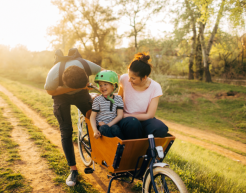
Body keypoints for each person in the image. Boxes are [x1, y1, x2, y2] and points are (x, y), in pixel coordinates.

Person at [44, 48, 103, 187]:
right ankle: (73, 170)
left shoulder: (86, 64)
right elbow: (49, 90)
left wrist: (103, 86)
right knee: (66, 131)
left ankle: (101, 154)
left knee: (96, 120)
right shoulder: (54, 73)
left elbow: (104, 72)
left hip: (82, 93)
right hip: (61, 96)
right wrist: (72, 88)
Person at [118, 52, 169, 139]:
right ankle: (135, 149)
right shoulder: (124, 79)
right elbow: (118, 98)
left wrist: (125, 115)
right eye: (129, 76)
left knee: (161, 128)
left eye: (133, 78)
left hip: (143, 119)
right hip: (127, 121)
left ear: (144, 77)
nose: (129, 80)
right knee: (133, 123)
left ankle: (147, 148)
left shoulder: (155, 87)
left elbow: (149, 115)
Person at [90, 70, 124, 140]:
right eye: (100, 85)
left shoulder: (118, 98)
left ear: (113, 85)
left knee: (115, 128)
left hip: (113, 124)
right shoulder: (98, 100)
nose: (102, 87)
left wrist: (109, 124)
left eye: (105, 84)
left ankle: (122, 147)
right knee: (103, 128)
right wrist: (95, 130)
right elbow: (92, 117)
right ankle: (113, 148)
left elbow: (120, 116)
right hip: (101, 127)